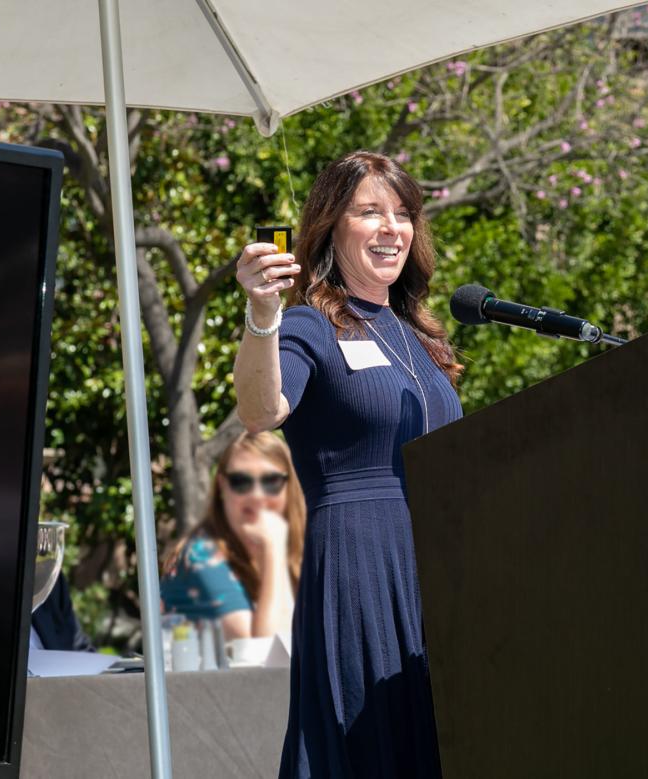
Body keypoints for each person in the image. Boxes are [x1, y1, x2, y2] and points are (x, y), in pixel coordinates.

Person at [234, 151, 464, 778]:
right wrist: (261, 317)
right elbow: (261, 410)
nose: (392, 228)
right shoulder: (310, 325)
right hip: (360, 559)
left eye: (403, 214)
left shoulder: (421, 336)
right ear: (332, 227)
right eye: (370, 212)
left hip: (436, 565)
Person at [160, 431, 306, 641]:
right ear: (221, 486)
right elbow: (265, 652)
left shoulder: (303, 547)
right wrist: (274, 550)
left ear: (289, 486)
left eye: (271, 481)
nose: (257, 495)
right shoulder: (201, 555)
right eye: (240, 481)